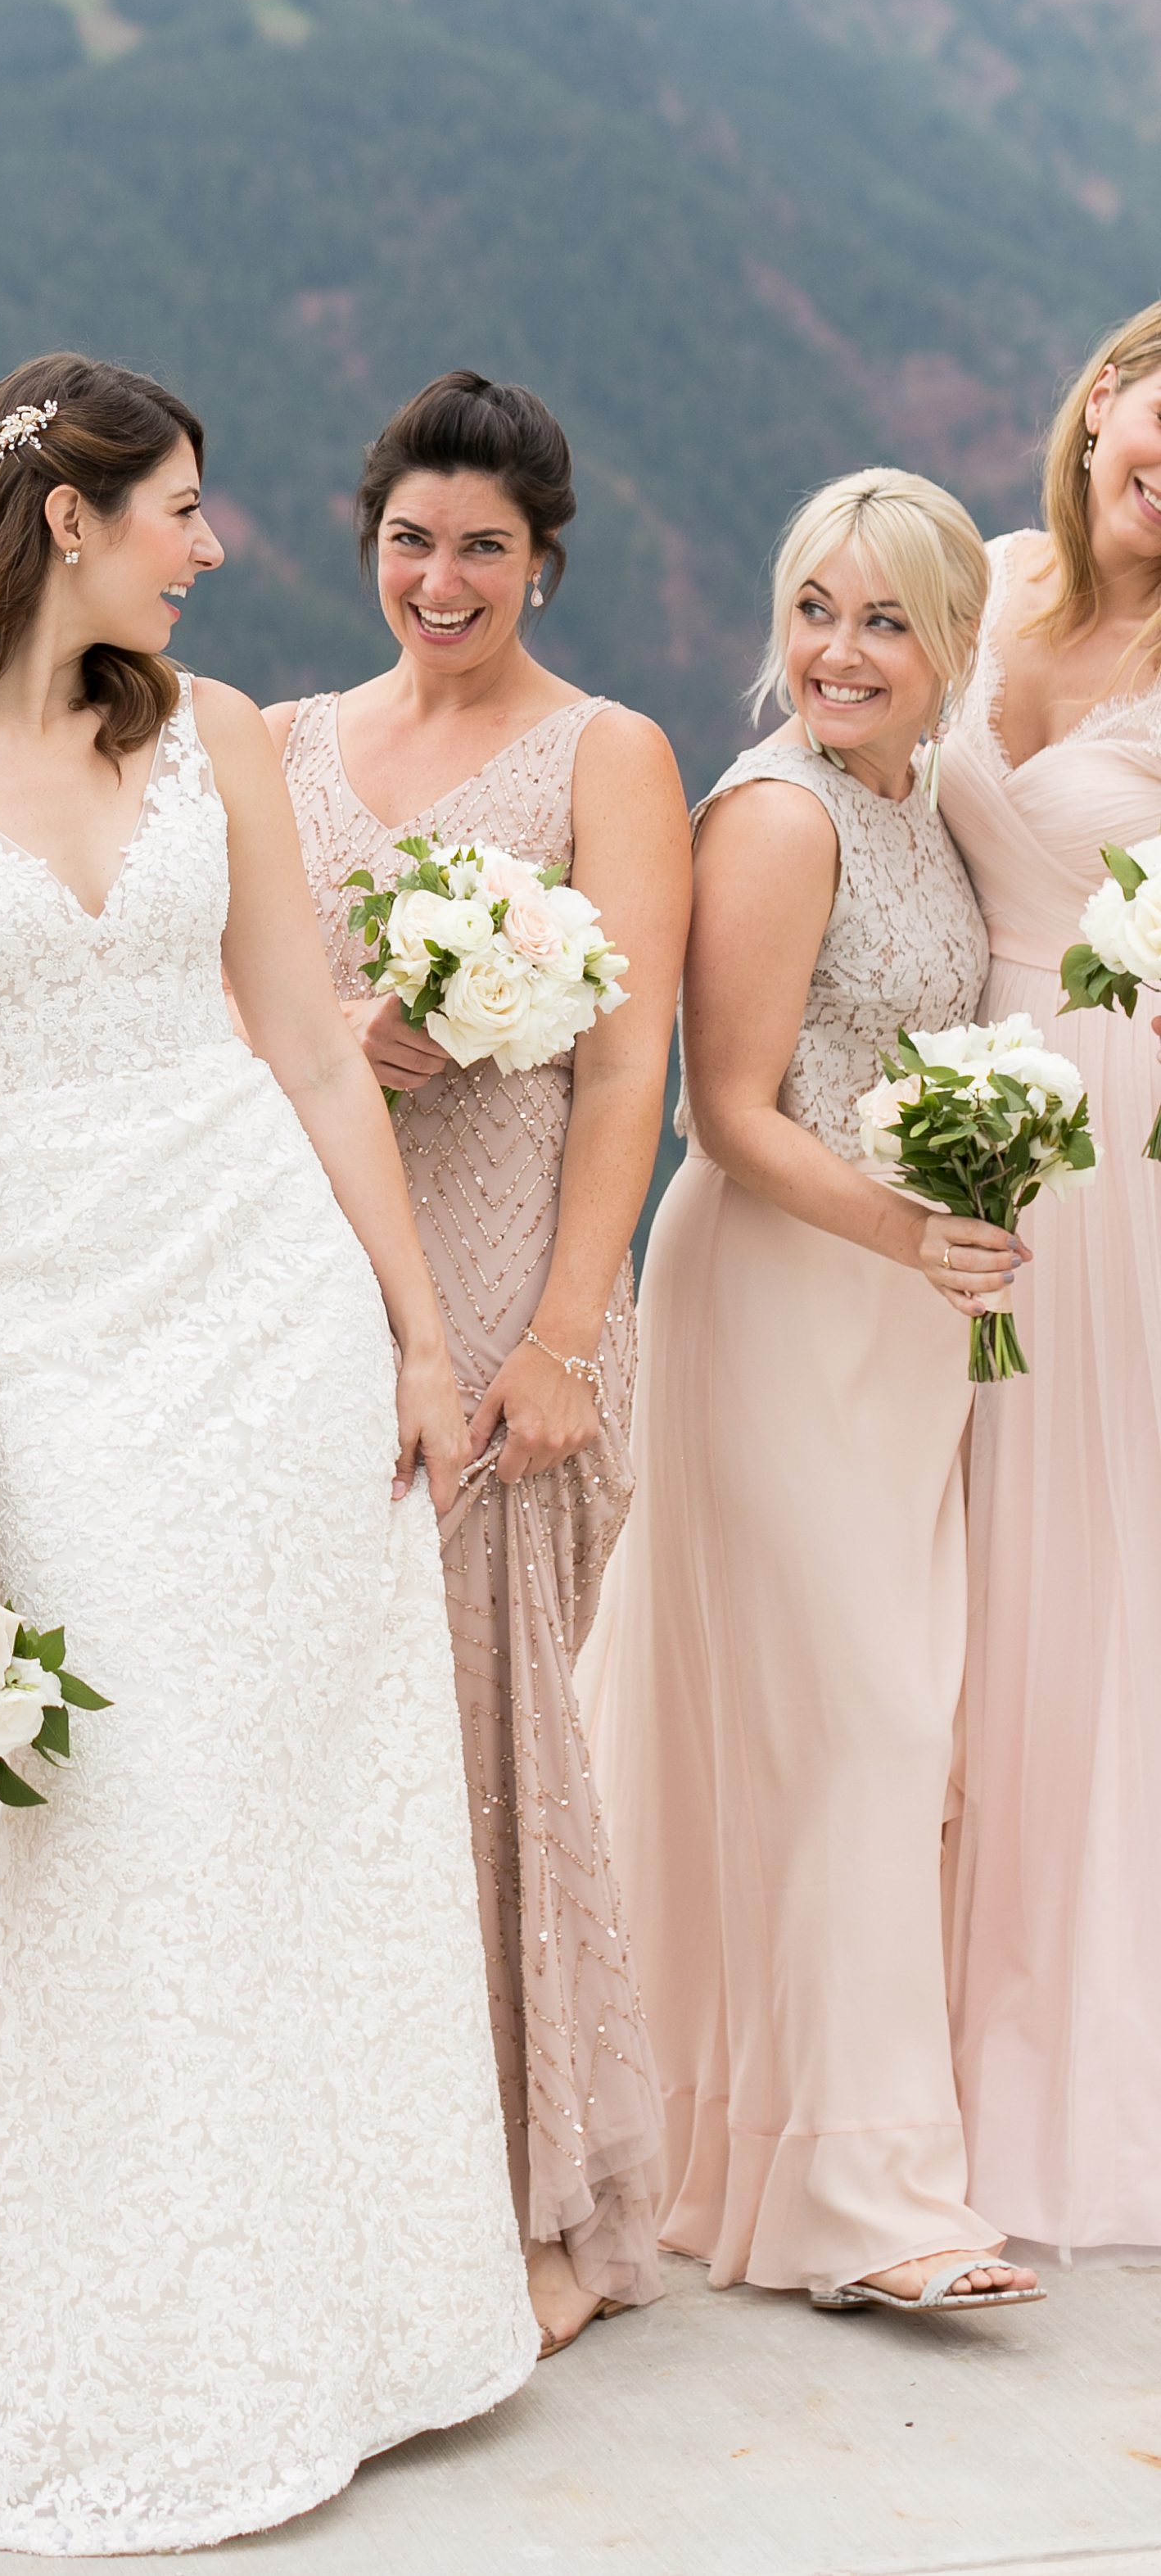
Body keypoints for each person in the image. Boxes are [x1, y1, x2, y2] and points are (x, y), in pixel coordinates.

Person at [0, 354, 535, 2559]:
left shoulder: (215, 738)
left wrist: (413, 1329)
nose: (216, 549)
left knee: (307, 1820)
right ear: (67, 520)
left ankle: (356, 2322)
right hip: (46, 1338)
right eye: (184, 508)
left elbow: (304, 1044)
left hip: (271, 1310)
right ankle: (126, 2344)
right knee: (117, 1825)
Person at [269, 369, 688, 2356]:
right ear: (374, 542)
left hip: (515, 1270)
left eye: (486, 549)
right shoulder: (275, 749)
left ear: (543, 559)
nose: (443, 581)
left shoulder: (608, 751)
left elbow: (631, 1059)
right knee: (338, 1724)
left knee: (496, 1719)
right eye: (413, 541)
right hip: (309, 1279)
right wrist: (337, 1037)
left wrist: (567, 1335)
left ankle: (545, 2198)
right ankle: (359, 2164)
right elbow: (226, 1022)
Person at [589, 469, 1038, 2313]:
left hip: (903, 1325)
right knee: (855, 1723)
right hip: (785, 1292)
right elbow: (731, 1113)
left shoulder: (919, 806)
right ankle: (870, 2210)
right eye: (814, 612)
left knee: (881, 1719)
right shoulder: (777, 819)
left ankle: (721, 2131)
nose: (840, 654)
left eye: (885, 623)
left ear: (950, 655)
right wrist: (910, 1231)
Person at [938, 309, 1161, 2250]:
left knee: (1075, 1546)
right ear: (1109, 394)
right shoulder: (983, 585)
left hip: (1118, 1132)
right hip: (925, 1097)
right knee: (929, 1534)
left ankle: (1060, 2036)